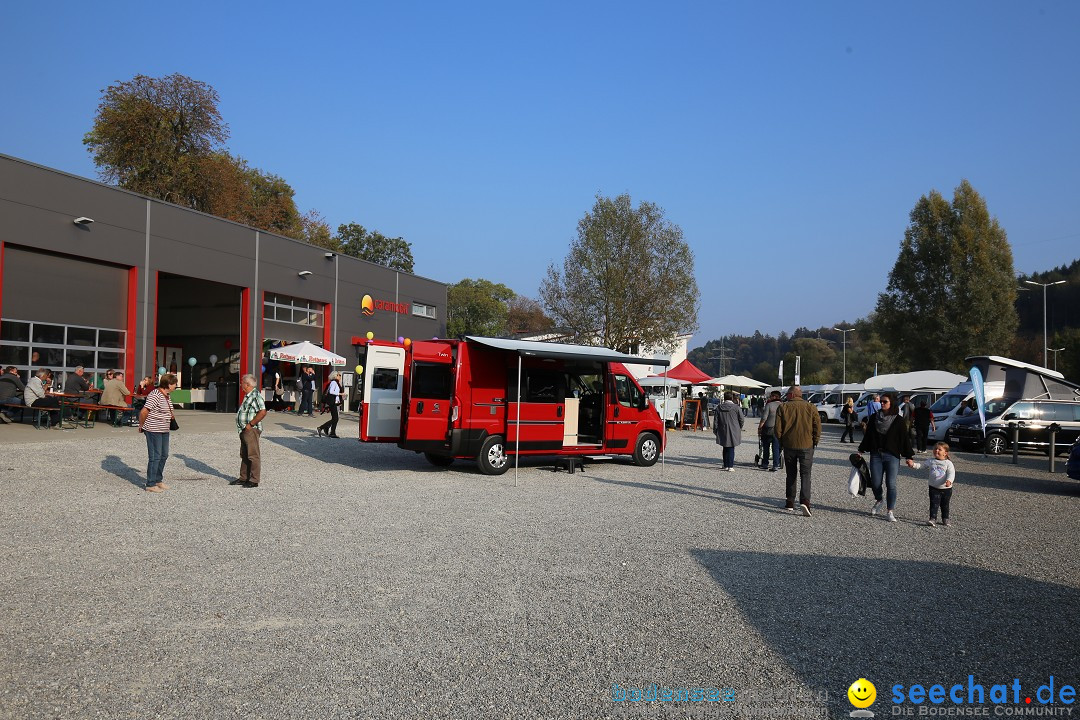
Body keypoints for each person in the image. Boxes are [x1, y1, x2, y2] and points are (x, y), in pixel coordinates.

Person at [858, 391, 915, 523]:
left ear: (892, 403)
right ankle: (879, 499)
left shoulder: (899, 421)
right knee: (876, 483)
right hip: (876, 455)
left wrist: (909, 456)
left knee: (891, 484)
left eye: (885, 402)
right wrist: (861, 450)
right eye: (881, 401)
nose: (881, 403)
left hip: (892, 455)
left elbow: (904, 439)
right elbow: (868, 436)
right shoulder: (873, 418)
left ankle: (890, 511)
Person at [775, 385, 821, 516]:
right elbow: (817, 426)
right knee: (806, 474)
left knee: (791, 474)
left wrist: (782, 442)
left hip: (789, 445)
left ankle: (790, 501)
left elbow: (777, 429)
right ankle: (805, 501)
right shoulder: (811, 407)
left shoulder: (783, 407)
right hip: (807, 445)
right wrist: (815, 441)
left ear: (791, 395)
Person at [138, 373, 177, 493]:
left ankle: (158, 479)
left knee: (164, 455)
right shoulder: (155, 394)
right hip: (153, 429)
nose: (176, 386)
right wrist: (141, 425)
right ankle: (150, 483)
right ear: (169, 384)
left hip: (164, 429)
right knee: (155, 456)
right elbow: (144, 411)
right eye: (175, 384)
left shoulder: (167, 395)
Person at [231, 373, 268, 488]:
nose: (241, 385)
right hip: (244, 429)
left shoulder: (255, 396)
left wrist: (250, 424)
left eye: (243, 383)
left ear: (247, 384)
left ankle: (254, 480)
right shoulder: (248, 395)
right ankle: (243, 478)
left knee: (253, 455)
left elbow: (263, 411)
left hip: (251, 429)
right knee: (245, 454)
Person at [907, 442, 956, 527]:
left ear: (945, 453)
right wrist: (913, 465)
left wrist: (949, 481)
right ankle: (932, 518)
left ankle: (945, 518)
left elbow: (951, 473)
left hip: (946, 489)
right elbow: (921, 465)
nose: (936, 450)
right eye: (935, 449)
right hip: (934, 487)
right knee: (934, 503)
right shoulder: (931, 461)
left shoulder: (948, 463)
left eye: (939, 449)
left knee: (945, 504)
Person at [712, 391, 743, 471]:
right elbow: (741, 419)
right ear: (732, 398)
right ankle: (730, 466)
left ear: (724, 398)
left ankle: (725, 464)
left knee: (725, 446)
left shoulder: (719, 407)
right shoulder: (736, 407)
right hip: (734, 429)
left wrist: (715, 430)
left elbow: (716, 420)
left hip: (722, 428)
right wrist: (739, 427)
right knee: (731, 447)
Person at [757, 391, 783, 471]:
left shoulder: (769, 405)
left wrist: (760, 427)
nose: (770, 397)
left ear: (775, 396)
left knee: (766, 447)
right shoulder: (783, 405)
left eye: (771, 396)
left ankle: (765, 463)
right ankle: (776, 464)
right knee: (776, 447)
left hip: (768, 429)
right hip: (779, 430)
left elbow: (764, 418)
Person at [318, 371, 343, 438]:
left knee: (335, 418)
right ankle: (322, 427)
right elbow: (331, 391)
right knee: (335, 418)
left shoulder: (336, 383)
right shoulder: (334, 382)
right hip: (332, 402)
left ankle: (331, 431)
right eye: (339, 375)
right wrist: (340, 394)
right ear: (335, 376)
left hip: (335, 402)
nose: (340, 376)